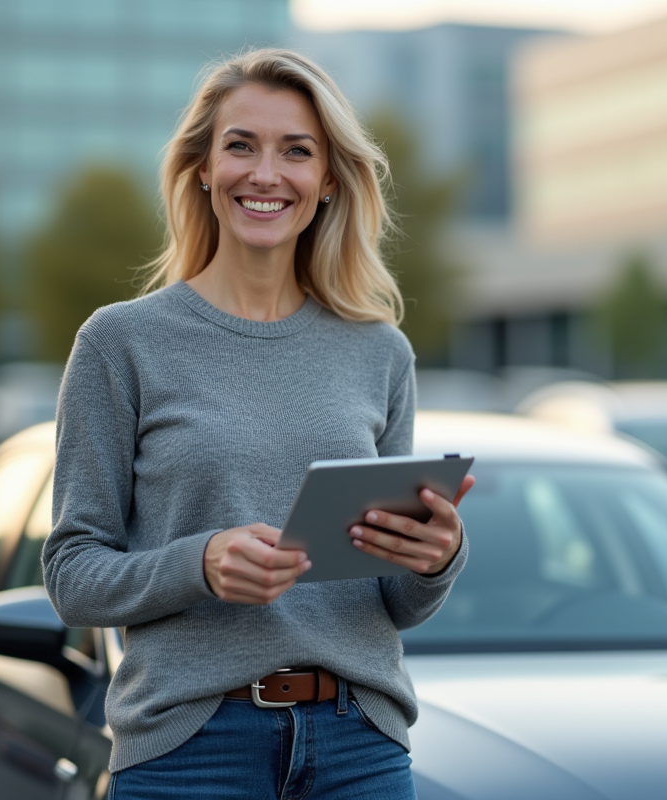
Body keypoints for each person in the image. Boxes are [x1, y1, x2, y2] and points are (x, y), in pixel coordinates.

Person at [41, 48, 474, 799]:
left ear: (328, 180)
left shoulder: (380, 352)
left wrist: (434, 559)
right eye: (241, 145)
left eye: (296, 152)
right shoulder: (120, 344)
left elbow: (396, 603)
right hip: (189, 750)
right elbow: (73, 576)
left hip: (359, 748)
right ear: (202, 167)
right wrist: (199, 563)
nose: (266, 174)